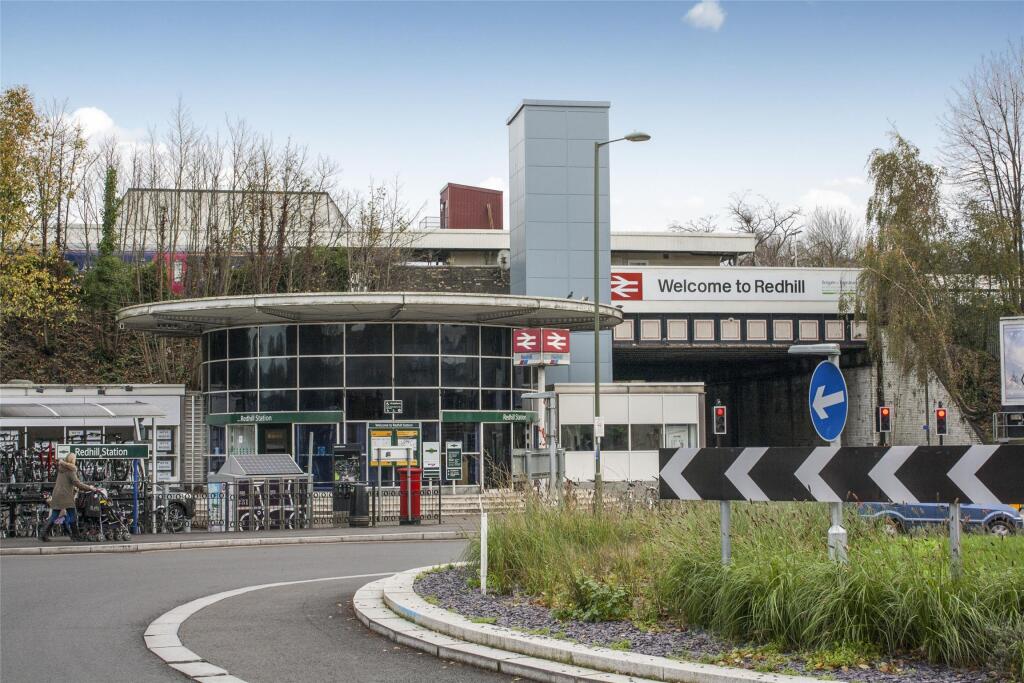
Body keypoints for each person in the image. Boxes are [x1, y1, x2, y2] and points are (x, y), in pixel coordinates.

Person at [39, 453, 97, 542]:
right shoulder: (71, 470)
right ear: (73, 460)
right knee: (72, 515)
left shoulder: (61, 468)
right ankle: (75, 536)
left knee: (54, 514)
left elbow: (66, 482)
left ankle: (43, 534)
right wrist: (90, 488)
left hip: (57, 494)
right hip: (65, 495)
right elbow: (77, 483)